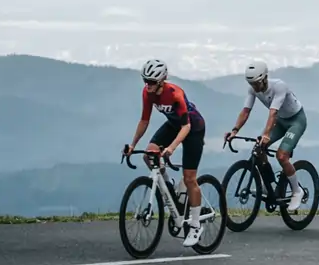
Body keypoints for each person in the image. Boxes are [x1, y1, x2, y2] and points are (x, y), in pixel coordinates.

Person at [123, 58, 208, 246]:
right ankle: (169, 186)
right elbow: (144, 120)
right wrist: (132, 144)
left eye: (152, 82)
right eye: (145, 81)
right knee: (149, 155)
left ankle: (195, 225)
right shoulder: (147, 93)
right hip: (172, 125)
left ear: (162, 80)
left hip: (193, 128)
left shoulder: (175, 94)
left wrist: (171, 148)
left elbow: (186, 127)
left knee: (189, 178)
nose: (148, 85)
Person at [223, 61, 309, 210]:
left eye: (257, 83)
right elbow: (245, 111)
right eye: (252, 84)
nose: (255, 87)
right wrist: (235, 130)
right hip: (280, 121)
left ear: (265, 78)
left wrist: (267, 134)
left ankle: (297, 191)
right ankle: (267, 185)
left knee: (282, 156)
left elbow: (273, 113)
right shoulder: (253, 90)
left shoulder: (279, 86)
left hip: (296, 121)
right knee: (259, 149)